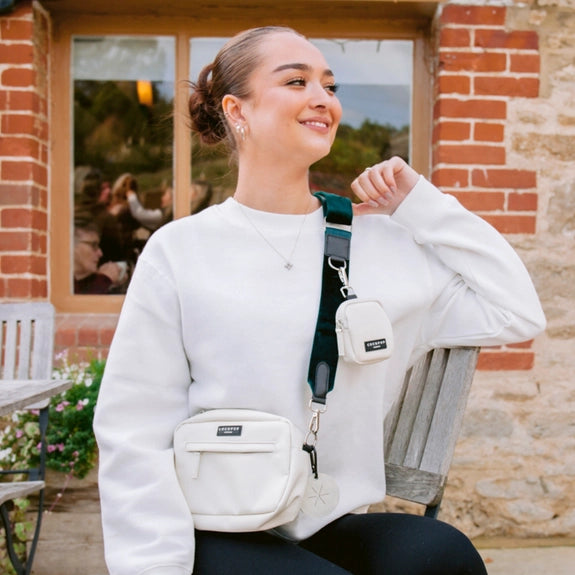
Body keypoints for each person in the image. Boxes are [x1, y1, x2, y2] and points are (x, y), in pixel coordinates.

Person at [94, 26, 546, 575]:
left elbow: (516, 310)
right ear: (237, 110)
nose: (322, 98)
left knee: (443, 557)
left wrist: (420, 205)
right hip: (215, 525)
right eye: (296, 81)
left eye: (330, 86)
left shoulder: (382, 245)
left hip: (324, 519)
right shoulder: (180, 250)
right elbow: (133, 428)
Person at [73, 222, 127, 294]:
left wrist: (108, 283)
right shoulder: (57, 281)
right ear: (71, 245)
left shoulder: (75, 282)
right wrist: (105, 279)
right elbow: (79, 304)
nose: (100, 253)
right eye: (93, 245)